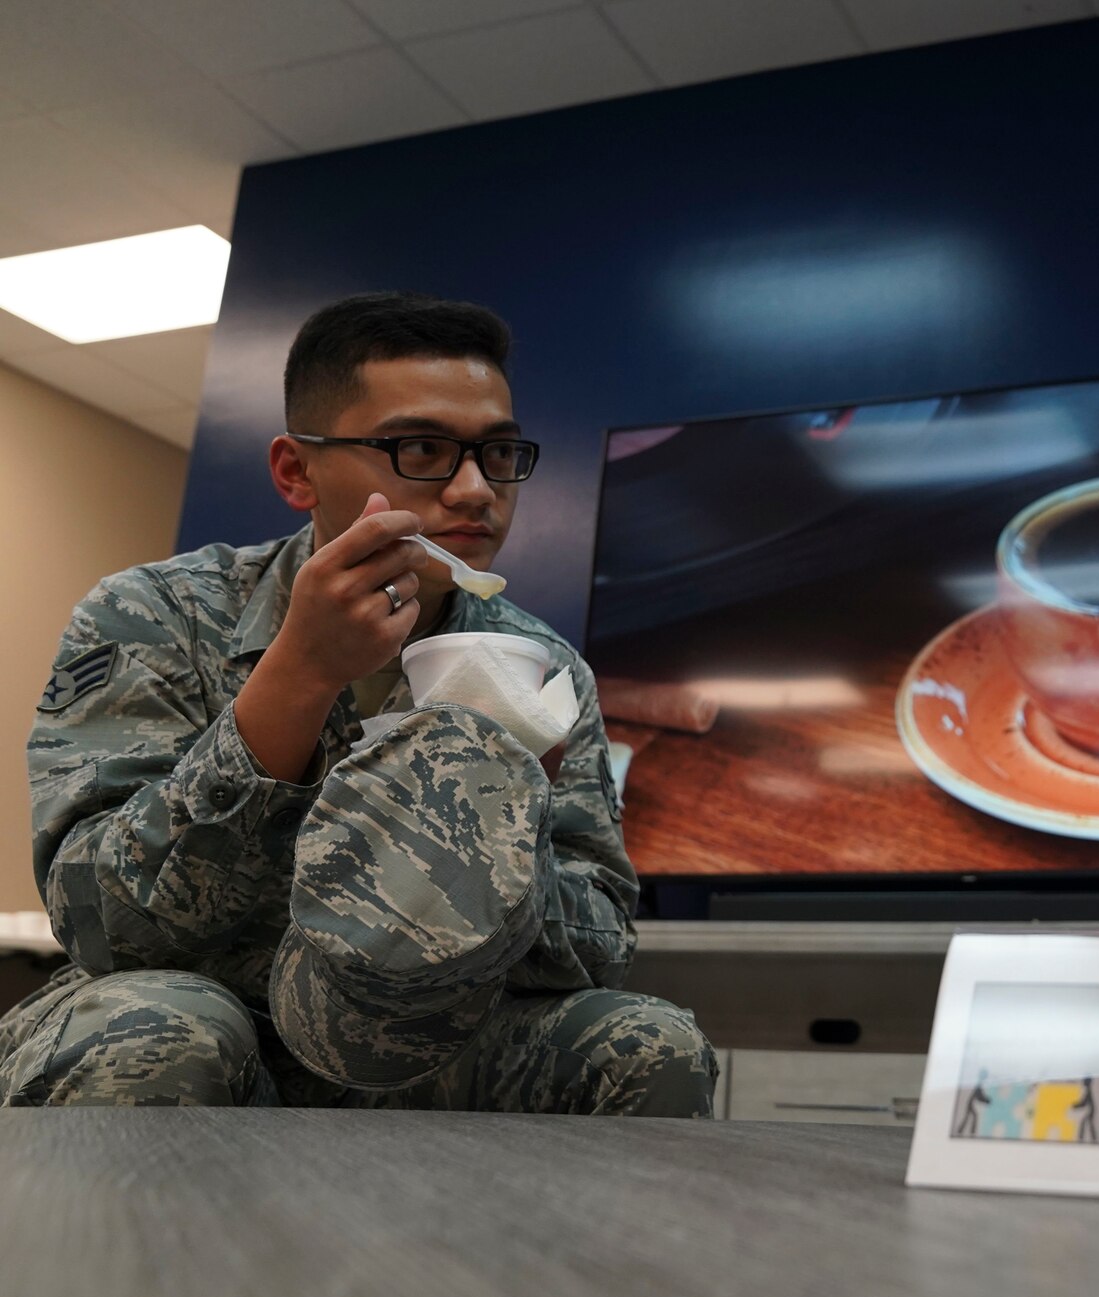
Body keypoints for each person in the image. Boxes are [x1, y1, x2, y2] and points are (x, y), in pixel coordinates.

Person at [0, 292, 716, 1114]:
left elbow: (601, 947)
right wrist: (297, 677)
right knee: (155, 1034)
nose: (477, 490)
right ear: (296, 471)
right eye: (422, 449)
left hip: (422, 1043)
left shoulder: (544, 670)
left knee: (645, 1044)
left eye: (500, 452)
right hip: (207, 1006)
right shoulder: (157, 615)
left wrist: (496, 846)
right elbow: (102, 923)